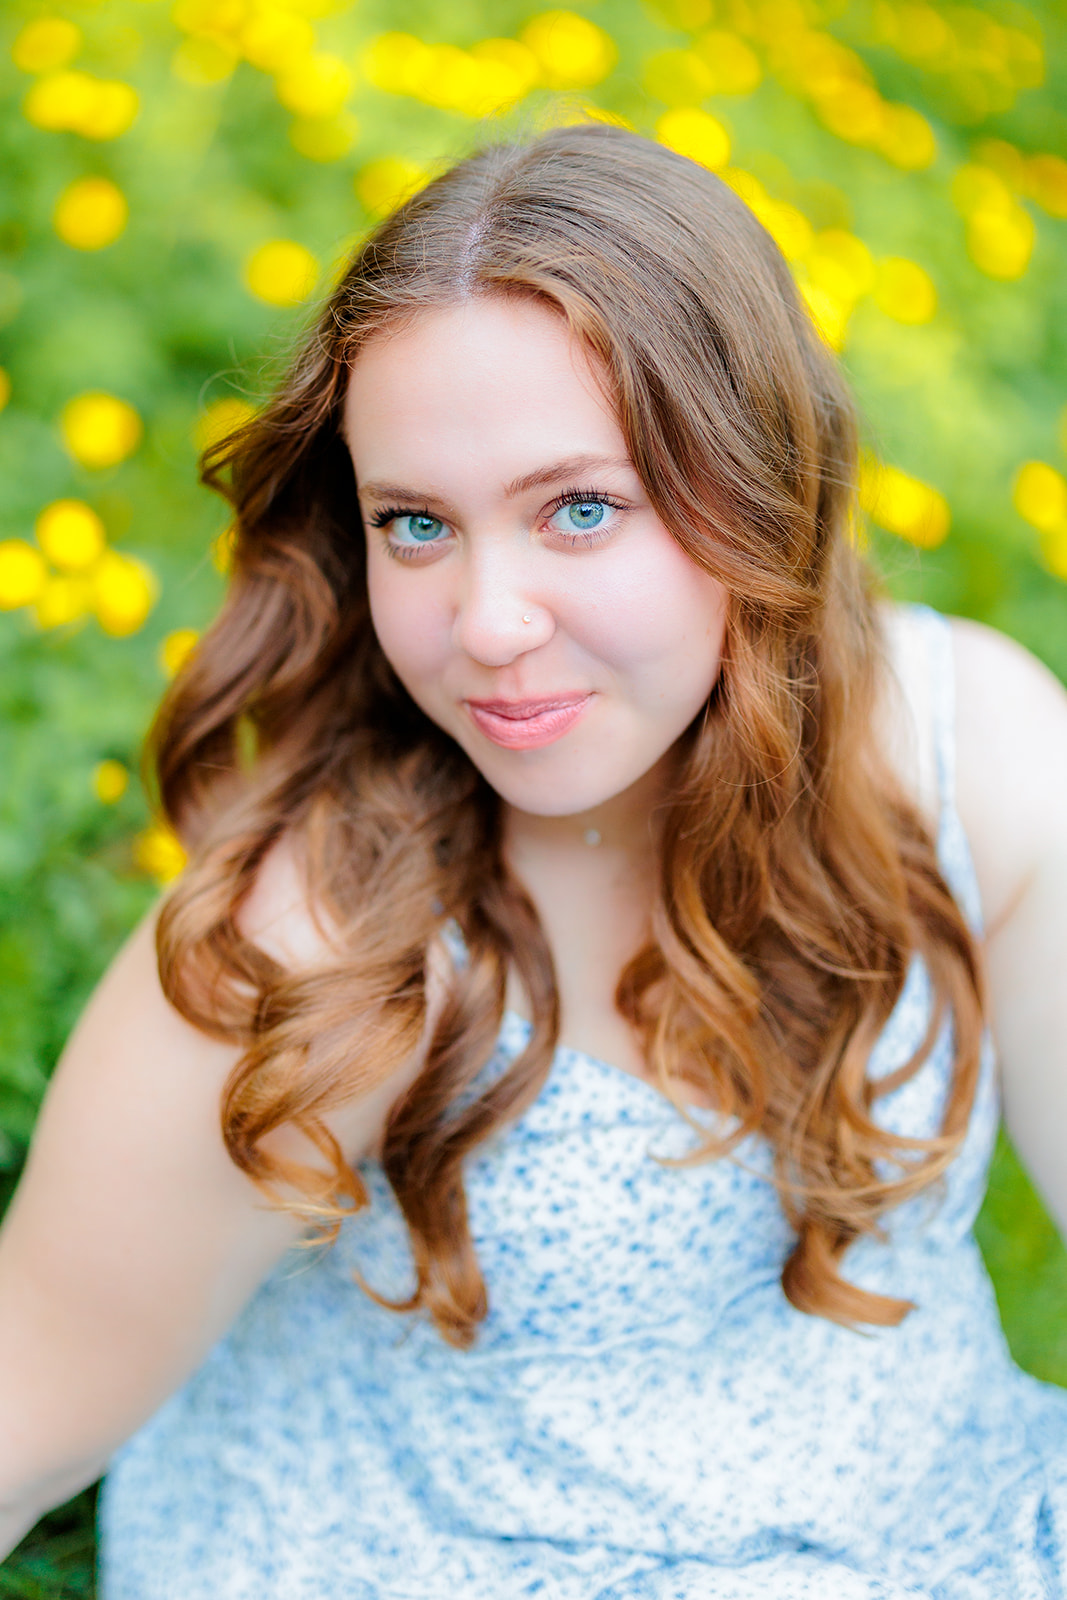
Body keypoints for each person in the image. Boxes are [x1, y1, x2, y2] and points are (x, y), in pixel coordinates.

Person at [0, 120, 1064, 1599]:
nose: (487, 620)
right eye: (416, 525)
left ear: (756, 485)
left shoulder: (974, 753)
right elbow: (22, 1394)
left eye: (581, 509)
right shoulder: (322, 941)